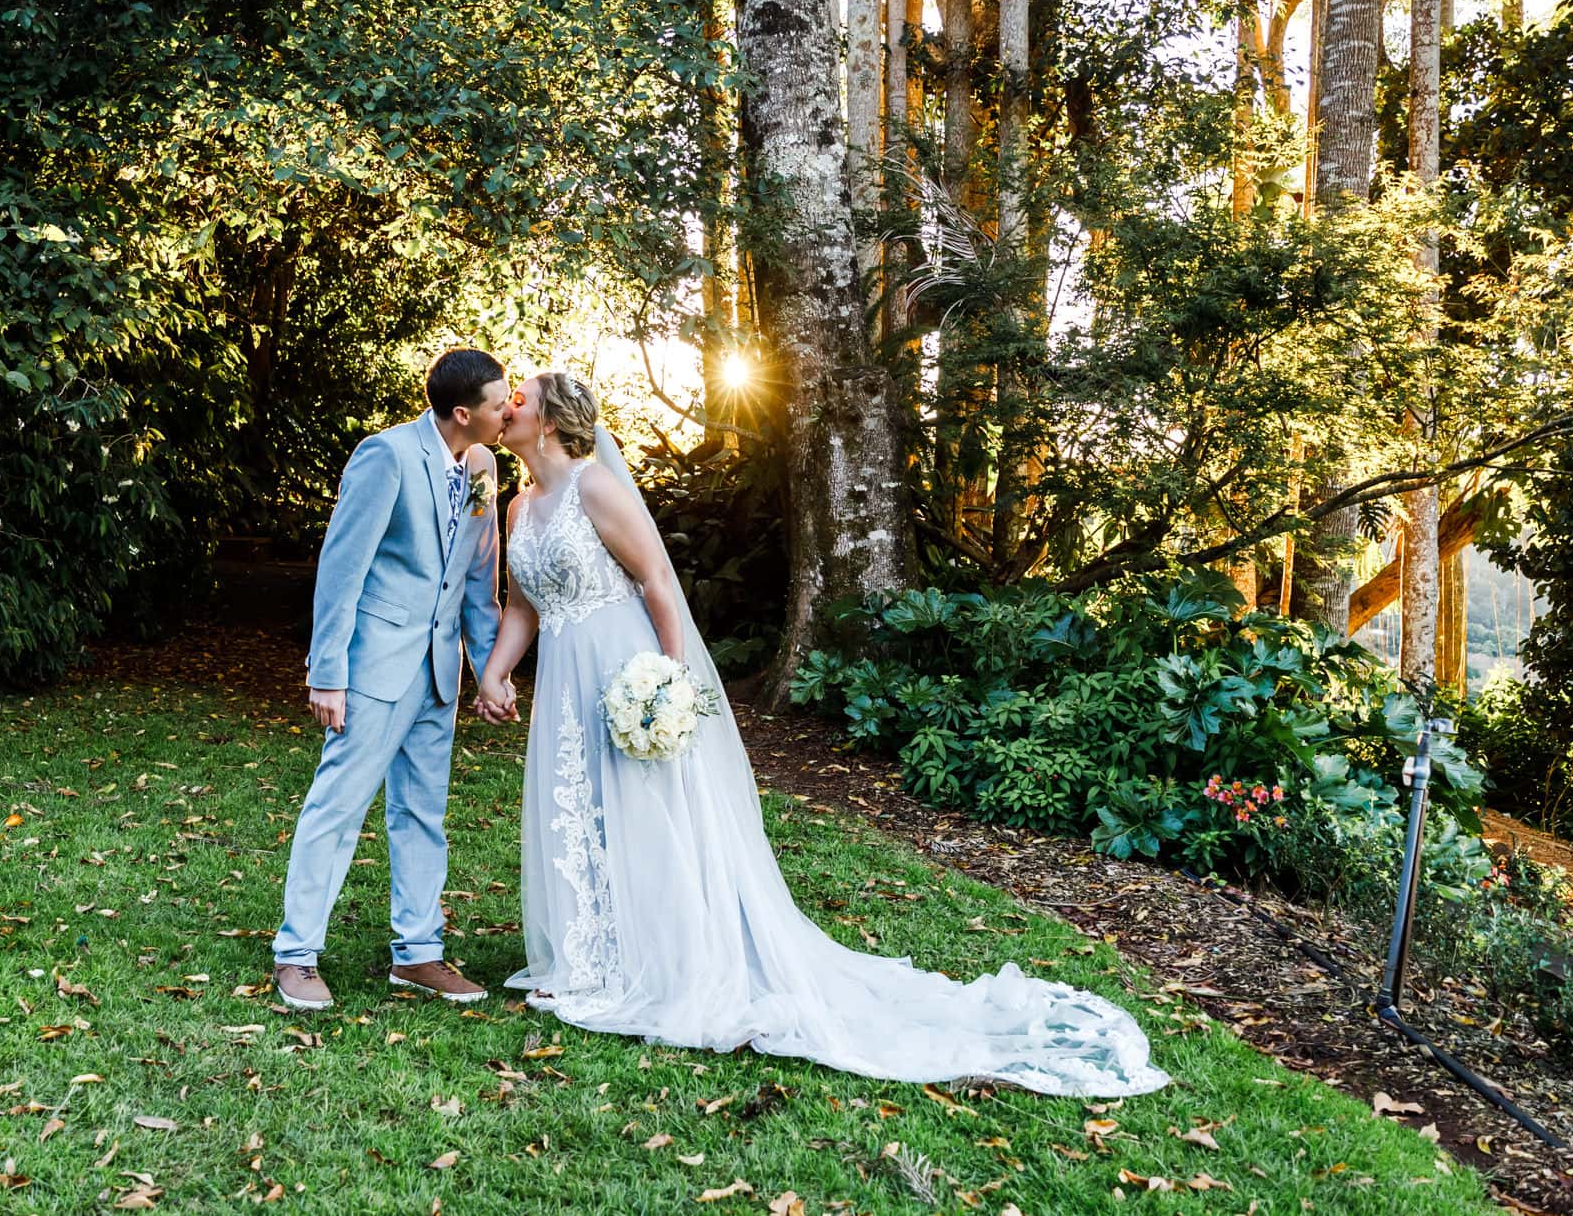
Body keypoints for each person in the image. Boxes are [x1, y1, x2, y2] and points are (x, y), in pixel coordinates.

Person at [473, 372, 1168, 1097]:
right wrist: (496, 675)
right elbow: (523, 605)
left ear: (550, 420)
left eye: (518, 397)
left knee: (643, 813)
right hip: (564, 685)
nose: (508, 406)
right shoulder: (521, 507)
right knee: (577, 811)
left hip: (624, 670)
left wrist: (667, 683)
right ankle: (585, 961)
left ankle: (660, 961)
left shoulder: (597, 491)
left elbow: (656, 583)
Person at [270, 348, 514, 1011]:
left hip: (439, 671)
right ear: (463, 412)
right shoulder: (385, 455)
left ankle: (418, 954)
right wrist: (328, 673)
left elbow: (477, 577)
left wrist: (489, 671)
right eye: (499, 403)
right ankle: (295, 954)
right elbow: (343, 567)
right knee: (338, 805)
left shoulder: (485, 468)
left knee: (422, 814)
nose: (509, 410)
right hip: (375, 664)